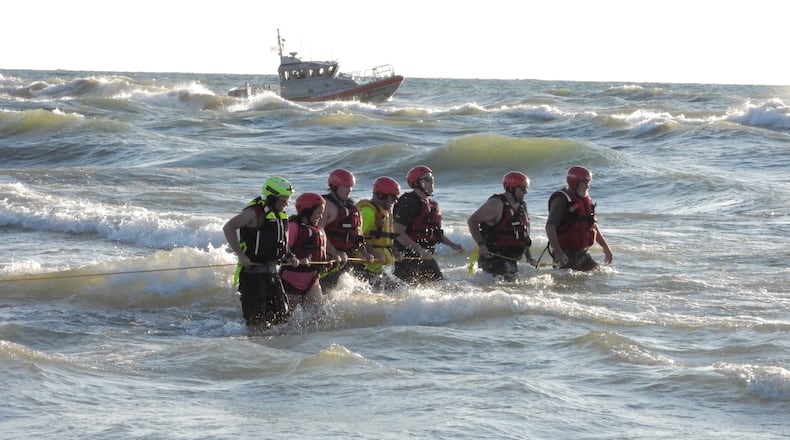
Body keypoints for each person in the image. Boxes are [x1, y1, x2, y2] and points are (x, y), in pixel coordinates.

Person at [223, 176, 298, 328]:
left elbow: (281, 242)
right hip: (252, 275)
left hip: (272, 274)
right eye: (283, 200)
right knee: (256, 321)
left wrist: (290, 256)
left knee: (282, 317)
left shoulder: (281, 216)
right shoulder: (253, 213)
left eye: (288, 200)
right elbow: (228, 227)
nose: (287, 204)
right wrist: (241, 255)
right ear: (271, 197)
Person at [392, 165, 463, 284]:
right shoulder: (408, 202)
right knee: (405, 291)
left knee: (440, 286)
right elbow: (398, 233)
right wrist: (420, 250)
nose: (432, 182)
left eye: (432, 179)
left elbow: (437, 233)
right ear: (416, 183)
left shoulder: (432, 205)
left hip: (426, 256)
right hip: (408, 257)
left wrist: (453, 245)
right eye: (428, 179)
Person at [467, 171, 536, 281]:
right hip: (494, 259)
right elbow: (472, 221)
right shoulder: (496, 204)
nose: (526, 192)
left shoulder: (522, 206)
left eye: (526, 188)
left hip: (511, 260)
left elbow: (523, 235)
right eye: (522, 189)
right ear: (511, 188)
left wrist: (529, 257)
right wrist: (481, 245)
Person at [545, 165, 613, 271]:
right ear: (574, 183)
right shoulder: (561, 200)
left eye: (588, 182)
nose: (588, 186)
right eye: (585, 183)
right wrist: (558, 252)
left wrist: (605, 247)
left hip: (583, 253)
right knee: (566, 284)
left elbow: (592, 225)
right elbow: (550, 226)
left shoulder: (586, 200)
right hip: (565, 253)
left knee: (599, 275)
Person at [318, 168, 371, 291]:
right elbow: (319, 233)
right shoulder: (326, 206)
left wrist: (365, 253)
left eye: (351, 187)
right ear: (334, 186)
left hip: (349, 258)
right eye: (346, 187)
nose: (349, 190)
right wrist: (334, 252)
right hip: (330, 259)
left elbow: (359, 234)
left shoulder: (353, 209)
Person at [279, 192, 330, 309]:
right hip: (291, 281)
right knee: (286, 320)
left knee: (318, 315)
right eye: (318, 213)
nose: (321, 217)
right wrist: (295, 259)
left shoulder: (319, 230)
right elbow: (281, 250)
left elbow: (317, 253)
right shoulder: (294, 227)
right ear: (307, 211)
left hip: (312, 281)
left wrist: (328, 259)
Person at [356, 176, 403, 290]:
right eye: (393, 198)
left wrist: (394, 252)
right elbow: (356, 237)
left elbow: (384, 240)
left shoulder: (385, 213)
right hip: (363, 268)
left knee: (401, 290)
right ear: (382, 196)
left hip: (377, 269)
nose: (395, 202)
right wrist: (373, 252)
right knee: (397, 292)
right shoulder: (368, 212)